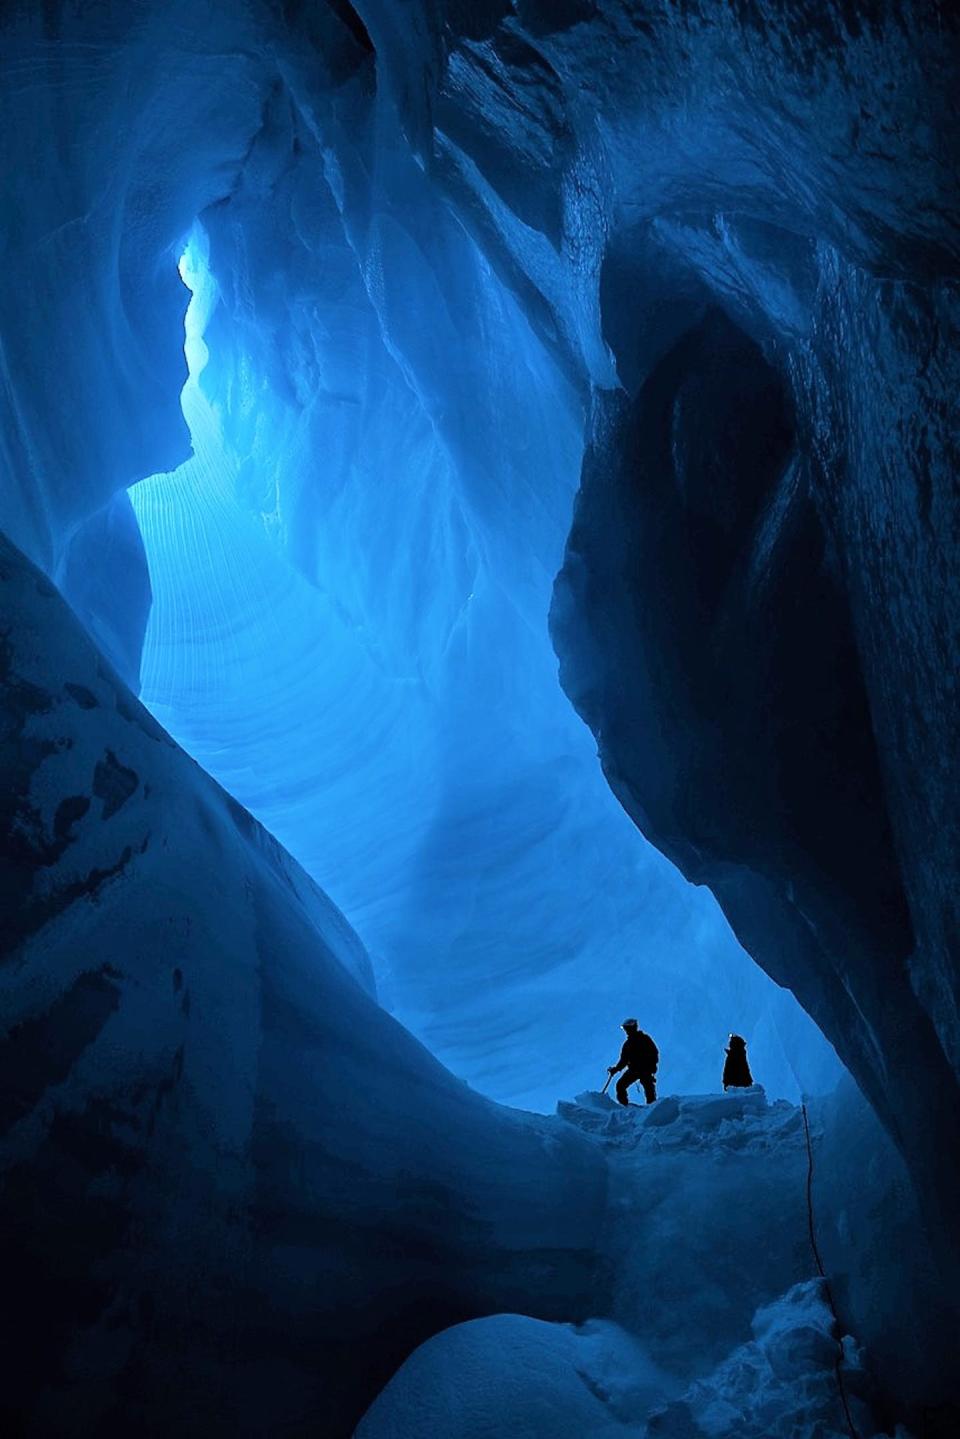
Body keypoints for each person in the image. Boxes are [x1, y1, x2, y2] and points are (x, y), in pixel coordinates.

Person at [608, 1018, 659, 1106]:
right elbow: (624, 1060)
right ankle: (651, 1108)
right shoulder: (636, 1041)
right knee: (647, 1088)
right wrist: (616, 1069)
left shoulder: (634, 1042)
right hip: (640, 1069)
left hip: (642, 1069)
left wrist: (616, 1069)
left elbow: (654, 1053)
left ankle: (628, 1107)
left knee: (622, 1086)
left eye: (626, 1029)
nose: (626, 1031)